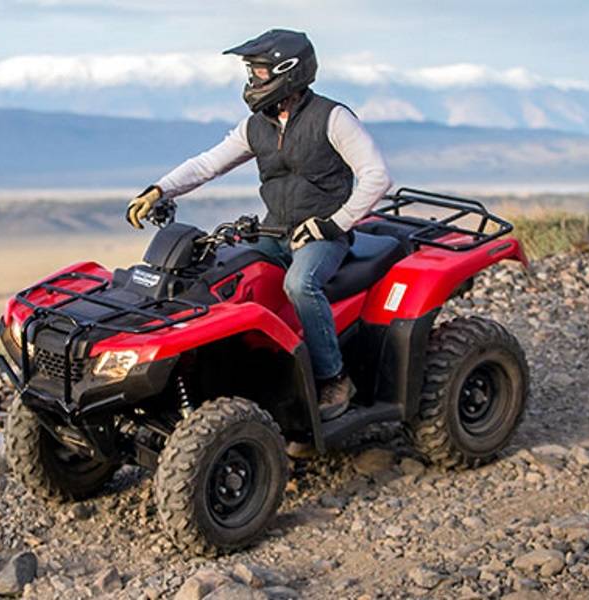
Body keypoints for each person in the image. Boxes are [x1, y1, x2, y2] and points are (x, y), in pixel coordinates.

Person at [126, 28, 392, 422]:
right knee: (220, 273)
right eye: (251, 72)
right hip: (275, 231)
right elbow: (207, 164)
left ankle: (334, 377)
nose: (253, 81)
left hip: (323, 236)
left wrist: (333, 225)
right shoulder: (257, 126)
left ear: (289, 71)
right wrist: (160, 189)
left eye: (259, 72)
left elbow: (376, 176)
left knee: (300, 285)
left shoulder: (332, 118)